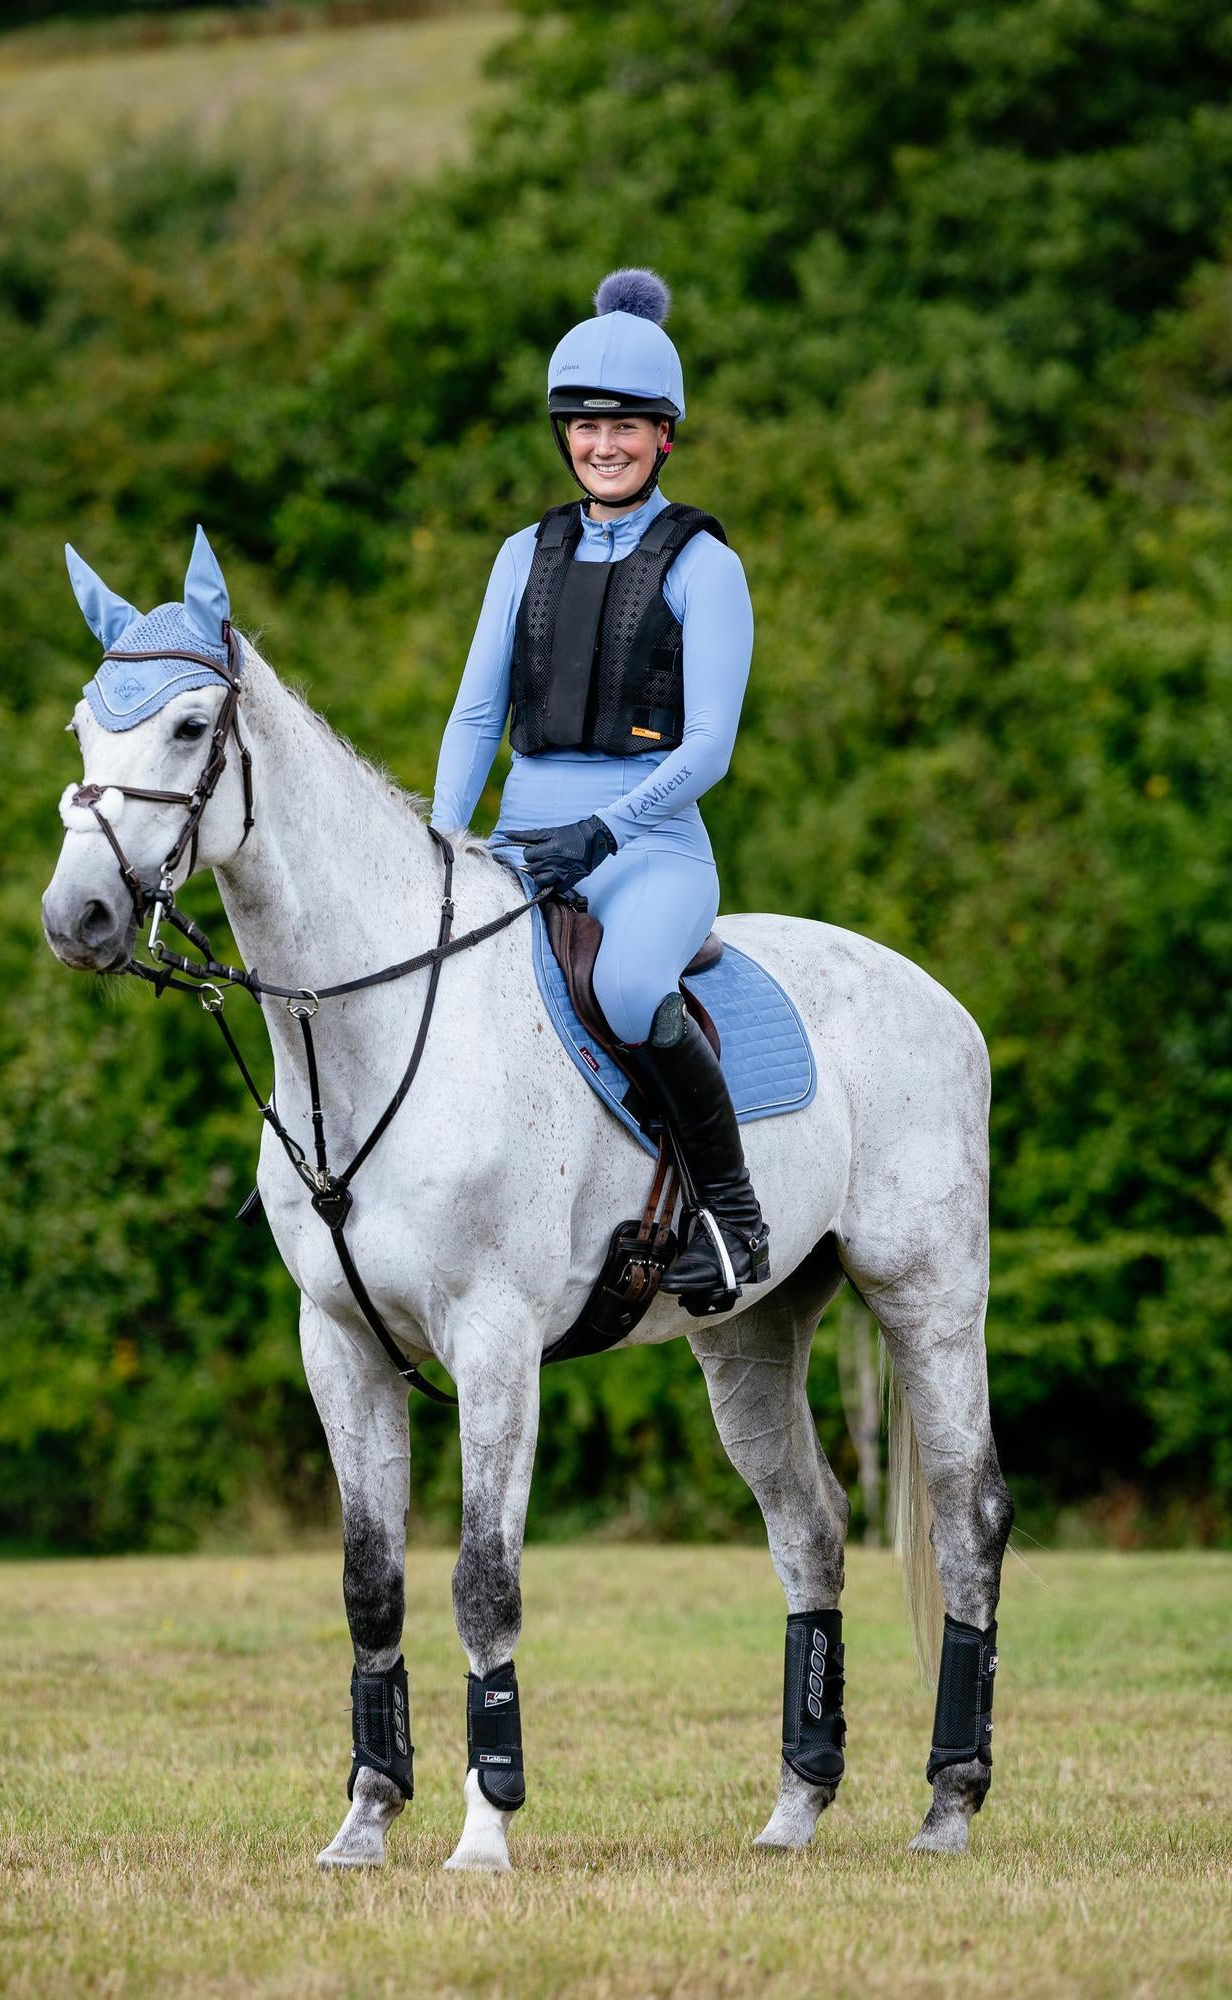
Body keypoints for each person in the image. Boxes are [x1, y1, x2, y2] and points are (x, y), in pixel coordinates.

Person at [430, 268, 769, 1305]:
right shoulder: (520, 556)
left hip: (649, 850)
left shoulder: (705, 566)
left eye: (626, 425)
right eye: (585, 425)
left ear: (664, 436)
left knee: (624, 986)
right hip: (522, 842)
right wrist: (440, 844)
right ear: (563, 435)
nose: (604, 444)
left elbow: (708, 747)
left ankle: (736, 1218)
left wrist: (607, 832)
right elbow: (476, 719)